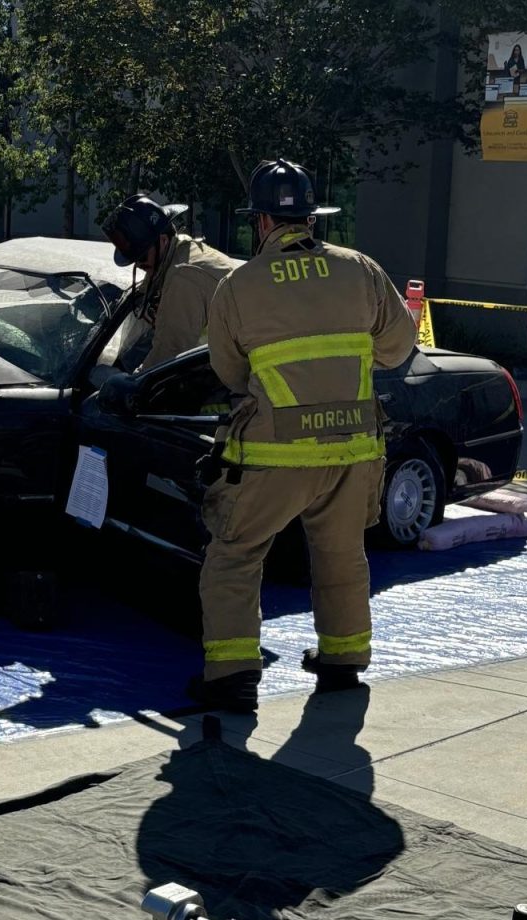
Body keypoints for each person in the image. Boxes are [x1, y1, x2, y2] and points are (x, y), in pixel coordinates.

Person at [189, 158, 417, 713]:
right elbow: (397, 348)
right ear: (312, 218)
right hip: (355, 449)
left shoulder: (238, 285)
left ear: (261, 223)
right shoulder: (360, 269)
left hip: (273, 454)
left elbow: (229, 371)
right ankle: (342, 664)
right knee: (342, 555)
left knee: (235, 555)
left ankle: (233, 676)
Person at [101, 193, 236, 372]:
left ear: (163, 240)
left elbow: (167, 354)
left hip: (234, 375)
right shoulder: (175, 253)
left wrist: (131, 383)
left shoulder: (182, 278)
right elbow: (142, 305)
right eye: (135, 259)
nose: (139, 265)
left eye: (141, 256)